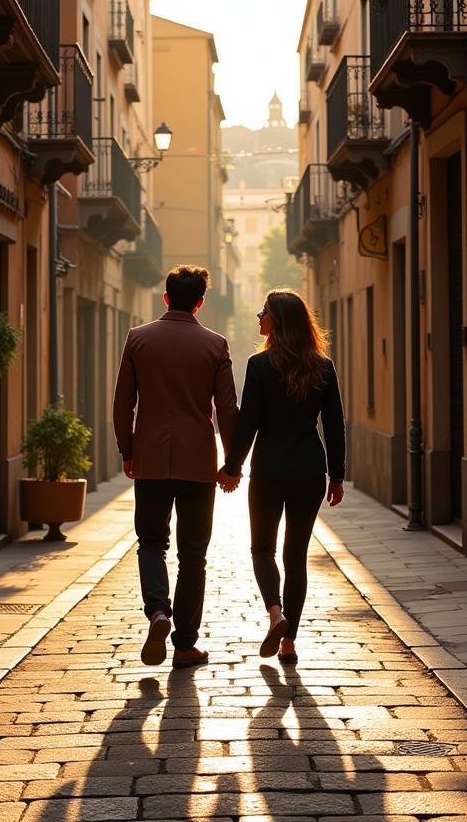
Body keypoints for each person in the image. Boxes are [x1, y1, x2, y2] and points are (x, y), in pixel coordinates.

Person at [113, 265, 239, 669]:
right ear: (200, 301)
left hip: (150, 457)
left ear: (165, 297)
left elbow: (122, 403)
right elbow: (227, 408)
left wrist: (127, 450)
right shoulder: (216, 345)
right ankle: (185, 644)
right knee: (193, 554)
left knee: (151, 542)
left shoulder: (138, 339)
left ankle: (157, 613)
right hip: (198, 462)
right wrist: (232, 462)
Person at [217, 289, 345, 664]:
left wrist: (233, 467)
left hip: (270, 470)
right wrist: (337, 476)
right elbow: (335, 426)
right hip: (309, 471)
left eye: (264, 313)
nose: (259, 317)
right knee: (296, 557)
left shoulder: (259, 366)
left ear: (279, 321)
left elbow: (249, 424)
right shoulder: (322, 366)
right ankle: (290, 642)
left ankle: (276, 614)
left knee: (262, 549)